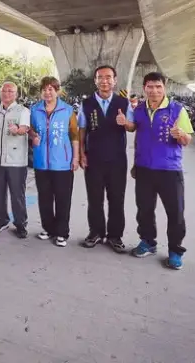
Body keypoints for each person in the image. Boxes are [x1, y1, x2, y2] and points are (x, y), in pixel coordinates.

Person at [118, 71, 193, 270]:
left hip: (170, 170)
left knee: (175, 213)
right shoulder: (140, 109)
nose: (154, 91)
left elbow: (187, 140)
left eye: (158, 87)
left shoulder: (177, 110)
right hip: (144, 169)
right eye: (150, 87)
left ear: (164, 88)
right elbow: (133, 127)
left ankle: (175, 251)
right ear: (144, 88)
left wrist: (181, 134)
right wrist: (125, 123)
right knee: (144, 210)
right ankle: (148, 242)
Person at [78, 65, 131, 253]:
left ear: (115, 80)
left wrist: (125, 123)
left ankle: (115, 236)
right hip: (94, 159)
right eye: (100, 77)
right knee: (95, 199)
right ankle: (96, 232)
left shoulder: (123, 103)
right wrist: (81, 154)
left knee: (117, 199)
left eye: (108, 77)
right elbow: (82, 129)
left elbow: (132, 127)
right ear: (95, 80)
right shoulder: (86, 104)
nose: (104, 81)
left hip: (117, 160)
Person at [29, 76, 80, 247]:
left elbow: (74, 135)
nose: (47, 92)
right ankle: (48, 228)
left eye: (51, 89)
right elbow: (31, 130)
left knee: (63, 198)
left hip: (63, 163)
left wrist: (75, 157)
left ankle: (62, 232)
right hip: (41, 162)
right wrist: (33, 136)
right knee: (44, 197)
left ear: (57, 91)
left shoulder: (68, 110)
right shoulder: (35, 110)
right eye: (44, 89)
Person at [0, 81, 30, 238]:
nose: (7, 94)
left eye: (10, 91)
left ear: (16, 94)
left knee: (17, 194)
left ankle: (20, 223)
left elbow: (24, 128)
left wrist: (18, 130)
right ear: (0, 93)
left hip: (16, 160)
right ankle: (2, 219)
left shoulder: (23, 111)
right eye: (4, 91)